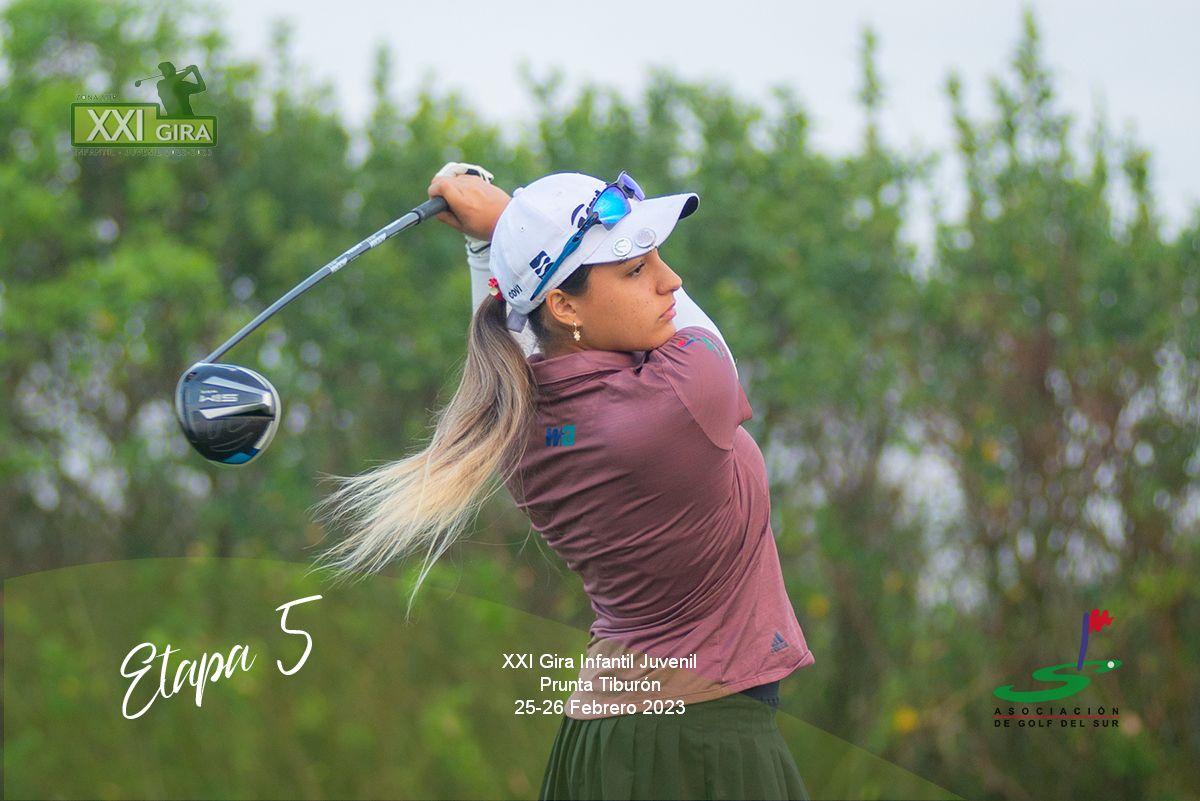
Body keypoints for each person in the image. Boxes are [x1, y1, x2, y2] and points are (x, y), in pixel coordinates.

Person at [312, 162, 816, 800]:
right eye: (635, 269)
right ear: (564, 305)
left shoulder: (510, 427)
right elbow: (693, 333)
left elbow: (520, 340)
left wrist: (499, 246)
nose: (670, 280)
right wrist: (502, 223)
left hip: (599, 745)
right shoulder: (683, 397)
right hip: (702, 742)